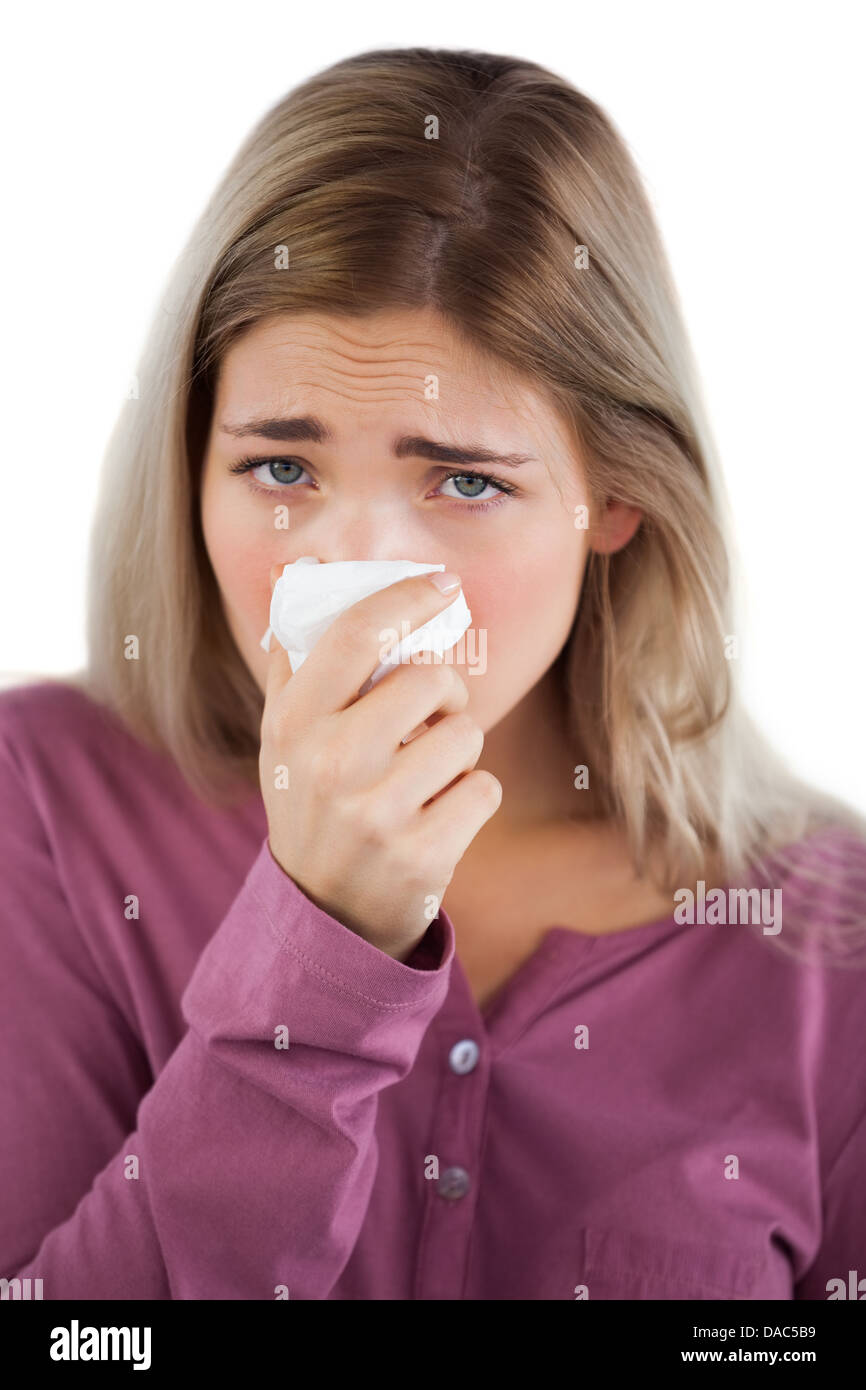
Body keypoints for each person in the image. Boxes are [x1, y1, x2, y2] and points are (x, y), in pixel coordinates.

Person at [1, 46, 864, 1302]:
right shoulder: (44, 808)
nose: (355, 570)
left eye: (463, 480)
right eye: (279, 469)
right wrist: (320, 941)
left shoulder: (823, 951)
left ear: (613, 495)